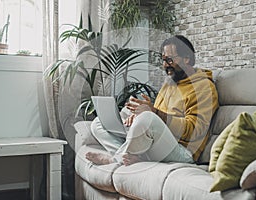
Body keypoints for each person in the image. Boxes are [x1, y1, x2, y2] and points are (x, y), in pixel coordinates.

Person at [86, 35, 219, 166]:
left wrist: (153, 113)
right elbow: (155, 116)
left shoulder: (203, 87)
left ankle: (115, 159)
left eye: (170, 60)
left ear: (187, 59)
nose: (165, 65)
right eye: (163, 60)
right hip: (158, 143)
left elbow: (194, 131)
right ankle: (129, 157)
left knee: (148, 118)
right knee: (98, 123)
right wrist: (137, 114)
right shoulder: (170, 83)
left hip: (182, 150)